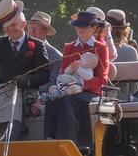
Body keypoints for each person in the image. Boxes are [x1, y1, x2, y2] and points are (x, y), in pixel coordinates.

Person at [0, 0, 50, 141]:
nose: (10, 29)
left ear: (23, 24)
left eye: (13, 25)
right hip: (1, 91)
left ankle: (10, 149)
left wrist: (27, 81)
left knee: (15, 109)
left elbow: (44, 75)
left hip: (24, 92)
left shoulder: (37, 45)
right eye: (6, 27)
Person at [43, 11, 109, 146]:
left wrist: (81, 85)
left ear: (93, 28)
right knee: (52, 99)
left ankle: (67, 141)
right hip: (69, 87)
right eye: (78, 26)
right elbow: (63, 71)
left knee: (66, 101)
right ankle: (49, 139)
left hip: (89, 92)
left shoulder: (101, 48)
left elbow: (102, 79)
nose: (80, 29)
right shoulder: (69, 47)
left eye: (84, 26)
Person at [106, 9, 138, 101]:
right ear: (125, 30)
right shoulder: (131, 51)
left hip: (99, 97)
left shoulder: (96, 48)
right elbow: (135, 87)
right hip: (124, 99)